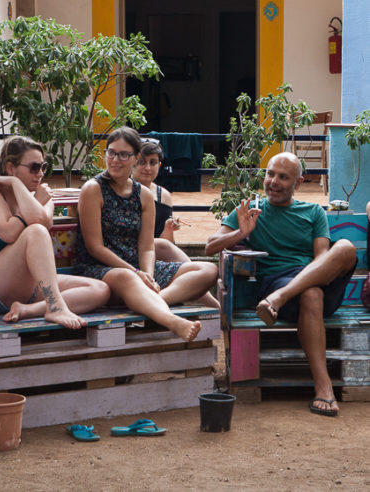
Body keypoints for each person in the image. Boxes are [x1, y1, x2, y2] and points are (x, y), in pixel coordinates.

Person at [206, 152, 357, 417]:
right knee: (311, 294)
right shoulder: (250, 210)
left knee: (344, 247)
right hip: (275, 283)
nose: (273, 182)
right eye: (270, 174)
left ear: (298, 183)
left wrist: (289, 291)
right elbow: (209, 247)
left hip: (304, 284)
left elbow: (322, 258)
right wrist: (242, 232)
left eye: (283, 177)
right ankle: (324, 387)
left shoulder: (312, 212)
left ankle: (282, 297)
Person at [74, 126, 219, 342]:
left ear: (135, 158)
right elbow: (95, 247)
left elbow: (147, 246)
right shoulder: (93, 189)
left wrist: (147, 274)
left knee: (208, 269)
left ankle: (154, 300)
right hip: (102, 271)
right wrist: (135, 272)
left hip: (138, 269)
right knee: (125, 277)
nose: (115, 159)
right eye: (111, 153)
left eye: (124, 155)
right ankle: (170, 320)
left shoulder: (143, 194)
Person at [0, 136, 110, 328]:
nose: (40, 174)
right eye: (34, 167)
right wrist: (16, 185)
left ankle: (29, 310)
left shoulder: (42, 196)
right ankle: (55, 306)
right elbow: (8, 233)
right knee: (35, 232)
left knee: (99, 289)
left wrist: (33, 198)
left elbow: (43, 220)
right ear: (10, 168)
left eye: (43, 167)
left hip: (28, 285)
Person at [132, 140, 219, 309]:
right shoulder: (126, 191)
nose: (148, 168)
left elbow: (167, 245)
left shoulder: (163, 195)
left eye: (153, 163)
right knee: (161, 245)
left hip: (154, 257)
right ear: (133, 162)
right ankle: (211, 303)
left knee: (164, 245)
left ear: (160, 165)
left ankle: (209, 301)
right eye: (142, 162)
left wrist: (168, 230)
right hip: (131, 253)